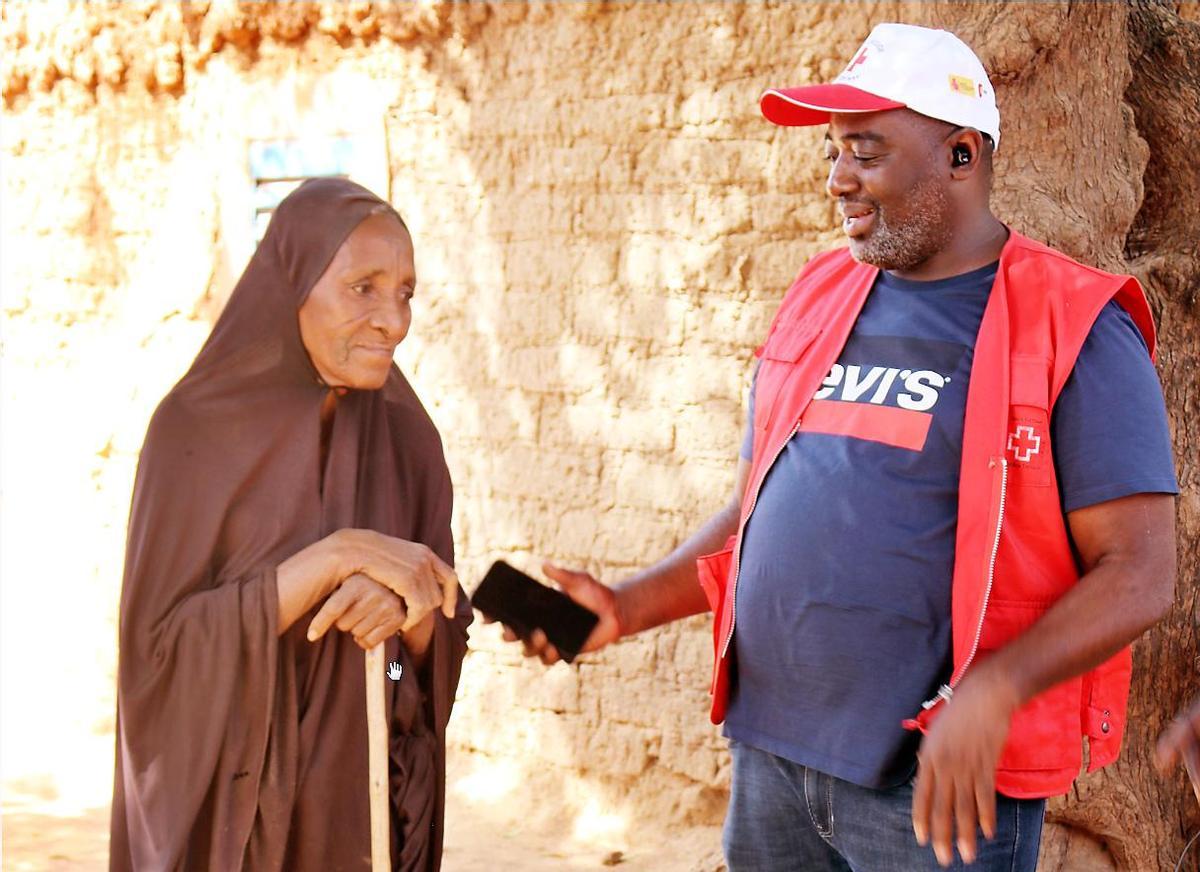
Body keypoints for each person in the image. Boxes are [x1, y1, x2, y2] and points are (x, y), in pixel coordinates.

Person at [507, 23, 1179, 871]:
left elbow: (1140, 570)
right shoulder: (823, 291)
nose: (838, 180)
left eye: (865, 151)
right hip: (772, 762)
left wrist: (996, 691)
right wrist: (625, 606)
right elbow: (759, 510)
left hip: (933, 787)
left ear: (962, 155)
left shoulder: (1075, 325)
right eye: (833, 152)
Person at [109, 178, 472, 871]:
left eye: (405, 292)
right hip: (232, 829)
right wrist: (331, 560)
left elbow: (426, 660)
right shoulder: (194, 433)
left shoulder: (409, 440)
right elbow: (154, 666)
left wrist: (409, 618)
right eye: (363, 287)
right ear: (294, 285)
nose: (393, 321)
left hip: (359, 824)